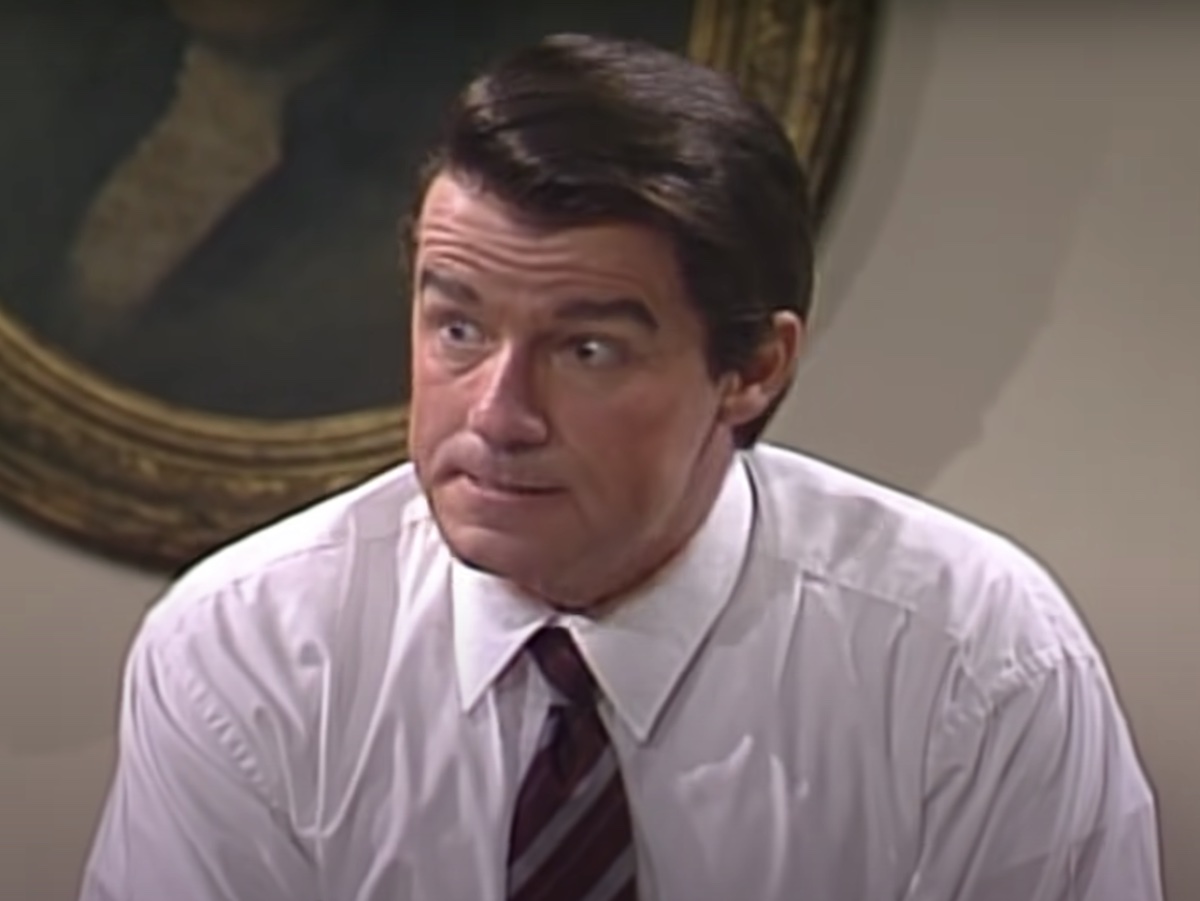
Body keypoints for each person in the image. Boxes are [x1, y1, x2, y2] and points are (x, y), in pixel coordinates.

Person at [78, 32, 1164, 901]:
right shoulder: (252, 649)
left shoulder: (972, 662)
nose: (498, 415)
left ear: (753, 367)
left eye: (587, 349)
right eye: (458, 329)